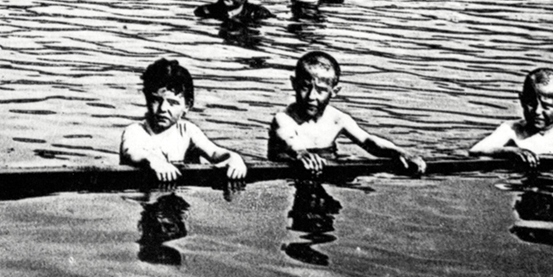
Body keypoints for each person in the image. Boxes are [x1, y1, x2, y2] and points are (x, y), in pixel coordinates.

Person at [268, 50, 426, 176]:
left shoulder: (338, 119)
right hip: (288, 172)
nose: (311, 96)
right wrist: (301, 154)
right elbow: (289, 141)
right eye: (304, 87)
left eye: (321, 90)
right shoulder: (283, 118)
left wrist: (400, 152)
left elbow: (368, 141)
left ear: (334, 91)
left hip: (325, 168)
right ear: (294, 84)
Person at [119, 58, 248, 184]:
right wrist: (153, 160)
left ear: (187, 106)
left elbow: (214, 152)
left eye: (172, 103)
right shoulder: (135, 131)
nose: (163, 108)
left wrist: (234, 158)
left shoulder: (187, 131)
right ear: (147, 98)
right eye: (156, 100)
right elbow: (131, 151)